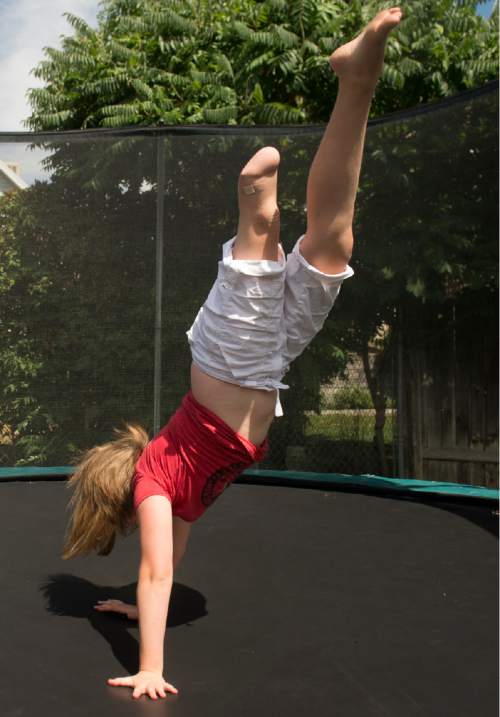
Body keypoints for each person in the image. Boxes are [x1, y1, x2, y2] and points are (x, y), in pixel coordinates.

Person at [62, 7, 403, 701]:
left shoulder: (156, 489)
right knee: (334, 246)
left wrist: (150, 661)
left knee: (261, 236)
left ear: (125, 500)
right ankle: (355, 83)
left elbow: (160, 572)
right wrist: (130, 603)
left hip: (231, 366)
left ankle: (254, 200)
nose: (143, 533)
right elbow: (163, 567)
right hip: (268, 365)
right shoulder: (174, 502)